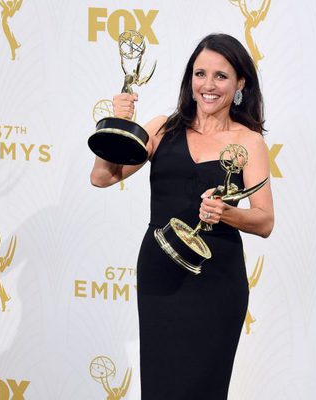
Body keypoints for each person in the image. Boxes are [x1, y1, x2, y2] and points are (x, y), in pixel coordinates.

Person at [90, 33, 274, 400]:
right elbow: (102, 177)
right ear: (190, 79)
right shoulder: (163, 127)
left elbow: (265, 221)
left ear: (240, 83)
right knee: (161, 386)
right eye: (200, 73)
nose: (208, 85)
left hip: (217, 280)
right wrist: (115, 123)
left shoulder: (249, 141)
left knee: (204, 387)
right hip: (161, 273)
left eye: (221, 76)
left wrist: (226, 213)